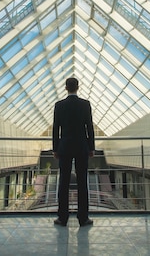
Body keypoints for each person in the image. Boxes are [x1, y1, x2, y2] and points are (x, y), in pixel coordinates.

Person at [52, 77, 95, 227]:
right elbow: (89, 127)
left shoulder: (59, 105)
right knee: (82, 182)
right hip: (81, 147)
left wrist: (55, 148)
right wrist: (91, 147)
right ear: (78, 87)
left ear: (65, 88)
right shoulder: (85, 104)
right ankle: (83, 218)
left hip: (65, 147)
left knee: (63, 182)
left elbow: (56, 128)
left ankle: (62, 218)